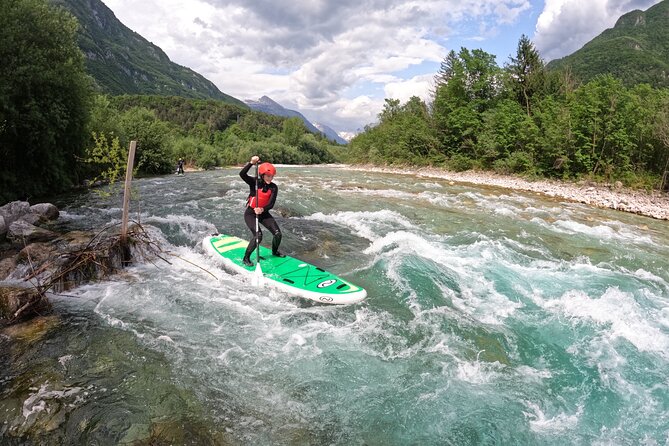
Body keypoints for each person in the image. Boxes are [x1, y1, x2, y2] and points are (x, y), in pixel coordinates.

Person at [239, 155, 284, 266]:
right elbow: (242, 174)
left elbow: (271, 204)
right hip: (250, 213)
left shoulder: (274, 187)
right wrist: (251, 163)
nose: (270, 178)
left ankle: (274, 251)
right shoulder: (254, 182)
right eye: (268, 176)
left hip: (263, 213)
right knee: (258, 235)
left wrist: (262, 209)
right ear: (262, 175)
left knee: (278, 234)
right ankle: (246, 258)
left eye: (272, 176)